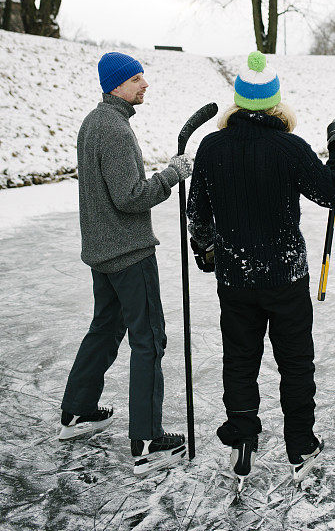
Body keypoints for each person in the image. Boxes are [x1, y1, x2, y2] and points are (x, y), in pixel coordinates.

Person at [187, 51, 335, 487]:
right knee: (295, 362)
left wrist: (206, 253)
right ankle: (300, 443)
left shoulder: (211, 146)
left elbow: (198, 213)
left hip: (236, 278)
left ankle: (243, 436)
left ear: (238, 102)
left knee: (240, 359)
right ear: (275, 102)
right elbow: (332, 192)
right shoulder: (290, 148)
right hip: (285, 276)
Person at [59, 51, 192, 476]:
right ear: (116, 85)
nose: (144, 84)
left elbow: (117, 189)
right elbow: (130, 196)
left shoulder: (94, 123)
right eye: (136, 79)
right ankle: (148, 441)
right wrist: (171, 175)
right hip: (128, 254)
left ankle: (78, 410)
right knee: (149, 339)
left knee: (105, 328)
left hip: (104, 252)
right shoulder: (113, 129)